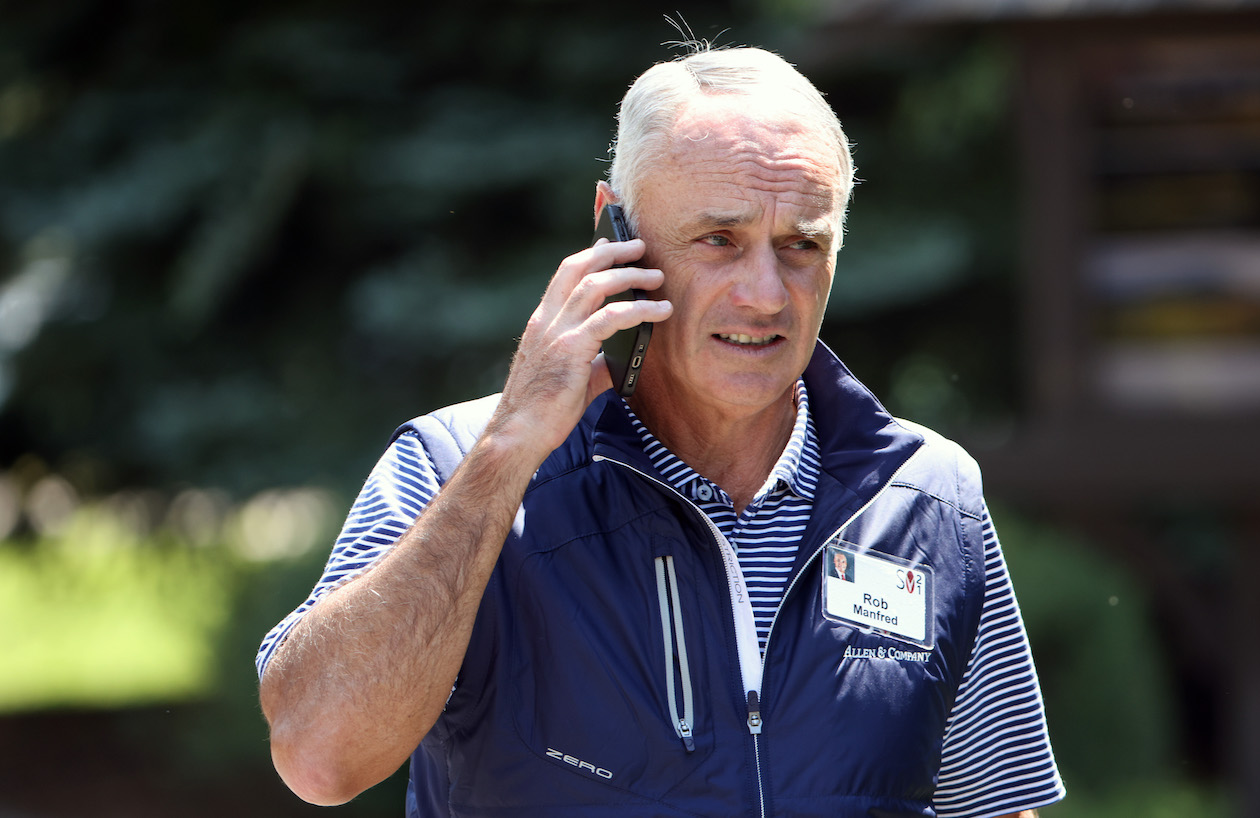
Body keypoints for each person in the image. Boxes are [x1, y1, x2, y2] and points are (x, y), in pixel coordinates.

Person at [257, 44, 1064, 818]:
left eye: (800, 247)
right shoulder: (454, 464)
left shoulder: (927, 494)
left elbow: (991, 809)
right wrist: (507, 450)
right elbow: (320, 757)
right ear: (616, 230)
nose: (765, 294)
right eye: (719, 240)